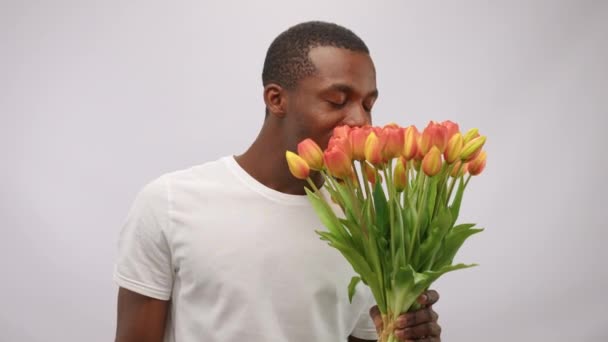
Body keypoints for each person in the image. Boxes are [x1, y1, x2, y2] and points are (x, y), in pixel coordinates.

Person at [114, 21, 442, 342]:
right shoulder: (170, 203)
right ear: (276, 99)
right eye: (337, 101)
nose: (360, 120)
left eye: (368, 105)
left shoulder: (367, 225)